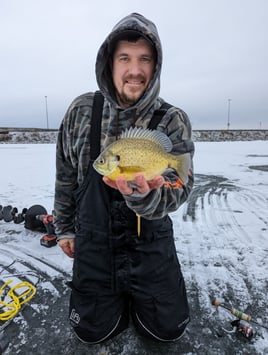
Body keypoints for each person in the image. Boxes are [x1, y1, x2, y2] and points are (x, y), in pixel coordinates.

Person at [54, 12, 194, 344]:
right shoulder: (81, 112)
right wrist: (64, 228)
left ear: (156, 65)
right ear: (109, 62)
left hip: (151, 244)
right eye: (125, 58)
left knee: (167, 330)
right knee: (91, 331)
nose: (135, 69)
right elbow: (65, 177)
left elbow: (181, 185)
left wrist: (148, 198)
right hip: (95, 244)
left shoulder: (172, 119)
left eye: (145, 58)